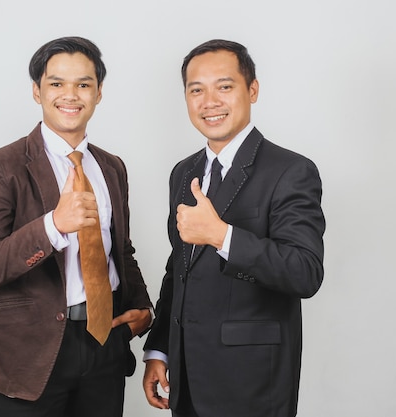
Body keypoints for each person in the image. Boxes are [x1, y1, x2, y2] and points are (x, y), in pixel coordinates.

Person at [0, 36, 153, 417]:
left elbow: (120, 248)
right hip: (32, 352)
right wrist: (53, 226)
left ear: (98, 93)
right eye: (56, 83)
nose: (71, 95)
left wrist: (142, 307)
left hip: (104, 342)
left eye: (83, 84)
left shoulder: (111, 166)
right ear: (37, 91)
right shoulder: (0, 165)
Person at [142, 39, 325, 417]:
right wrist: (158, 349)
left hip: (253, 383)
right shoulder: (184, 171)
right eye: (197, 90)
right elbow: (179, 268)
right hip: (186, 378)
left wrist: (221, 235)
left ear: (252, 90)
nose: (209, 101)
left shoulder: (291, 171)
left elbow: (304, 273)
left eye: (224, 87)